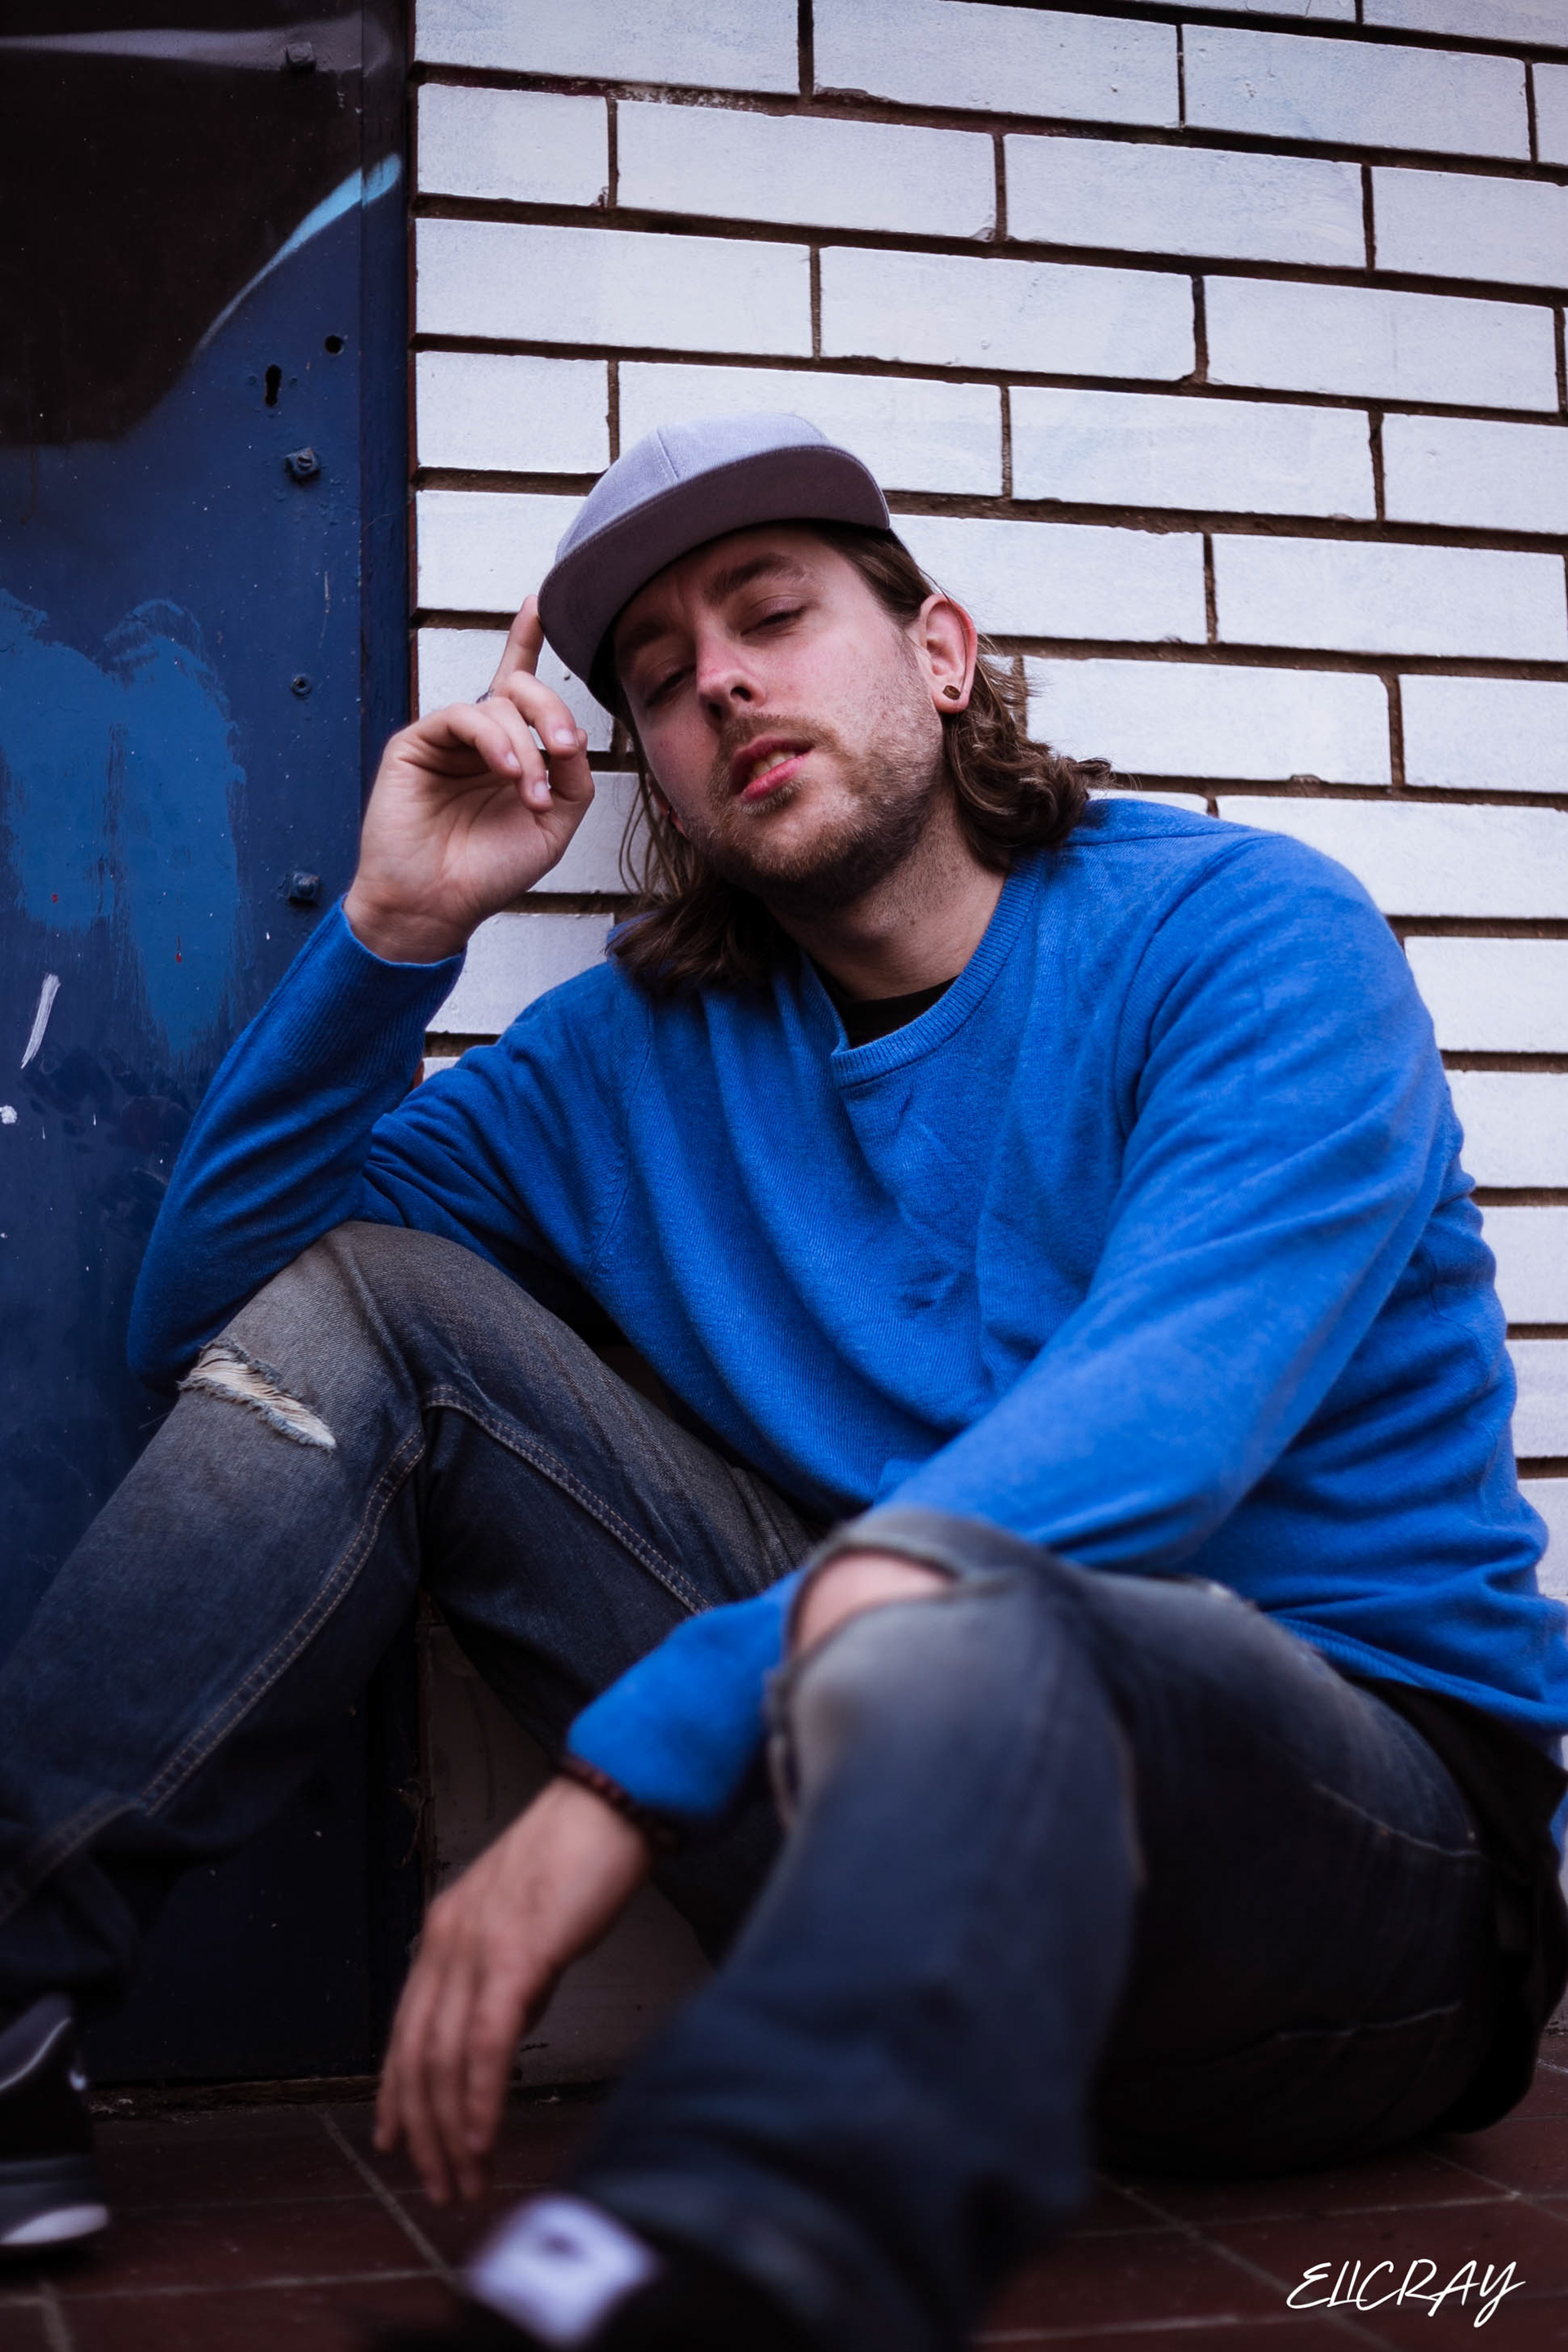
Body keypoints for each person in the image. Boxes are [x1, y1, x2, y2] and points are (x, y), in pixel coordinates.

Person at [0, 413, 1563, 2352]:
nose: (720, 683)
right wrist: (398, 929)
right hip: (902, 1856)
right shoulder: (627, 1063)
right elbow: (225, 1311)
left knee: (983, 1628)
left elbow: (1164, 1423)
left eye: (772, 614)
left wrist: (641, 1762)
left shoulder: (1242, 939)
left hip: (1348, 1900)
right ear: (650, 768)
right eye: (659, 681)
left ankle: (638, 2285)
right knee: (385, 1308)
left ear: (941, 651)